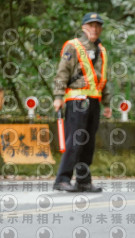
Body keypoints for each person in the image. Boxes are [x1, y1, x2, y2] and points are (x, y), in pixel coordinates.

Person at [53, 12, 111, 192]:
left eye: (98, 26)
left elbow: (103, 78)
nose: (95, 29)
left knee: (88, 143)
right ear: (84, 28)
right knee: (75, 141)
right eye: (91, 25)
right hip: (77, 100)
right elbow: (62, 72)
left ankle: (83, 180)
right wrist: (58, 96)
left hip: (94, 101)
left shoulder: (101, 50)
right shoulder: (73, 46)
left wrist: (107, 103)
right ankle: (62, 179)